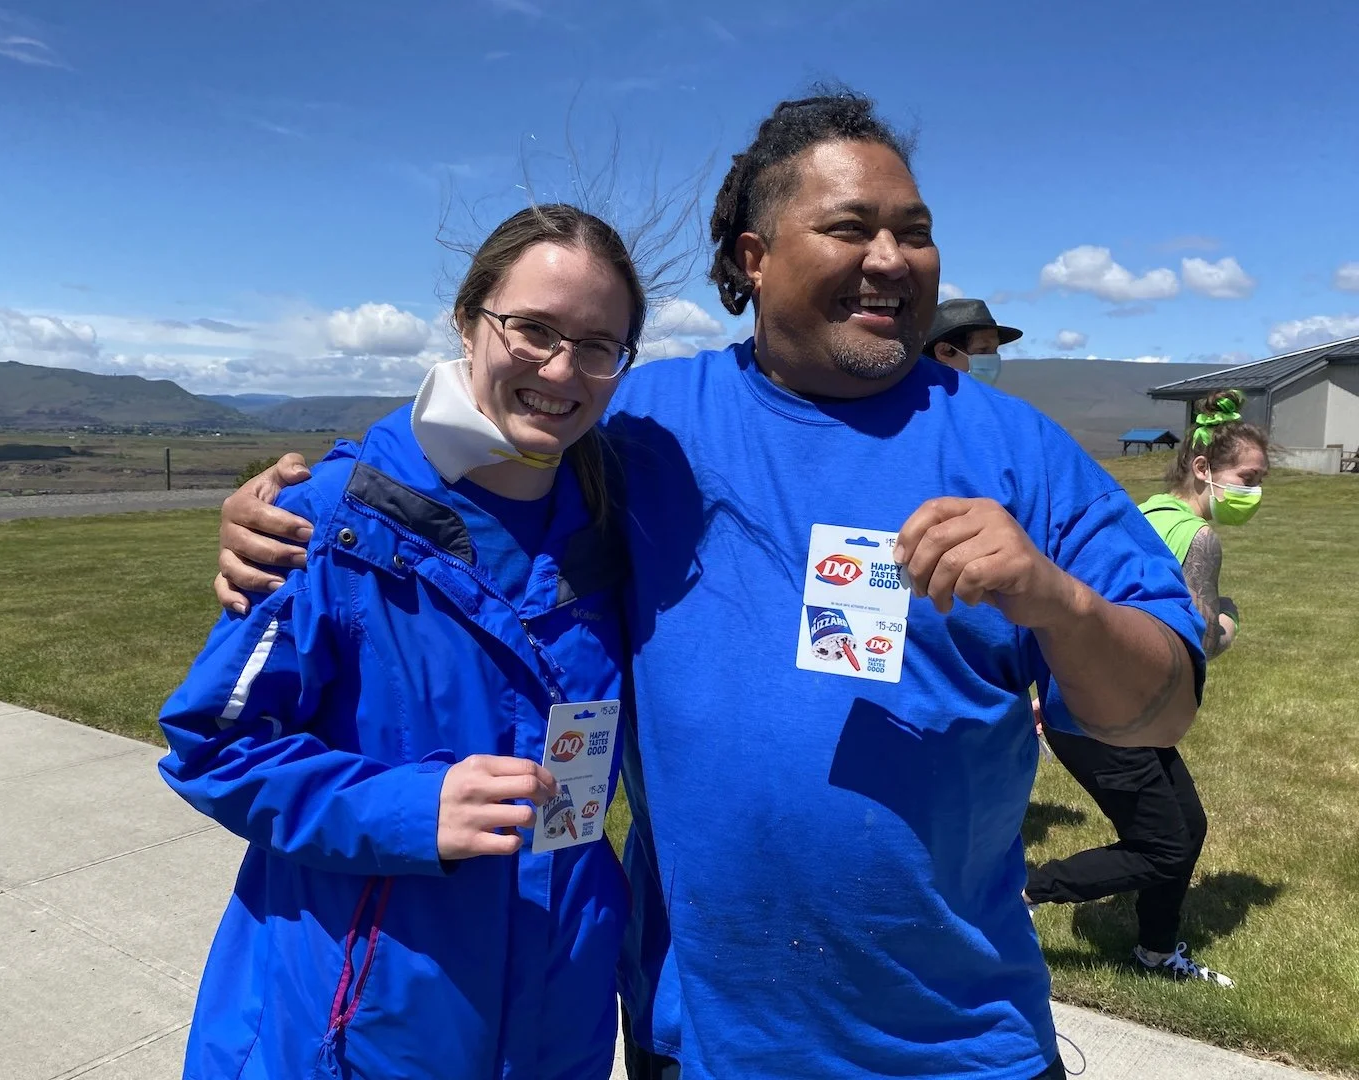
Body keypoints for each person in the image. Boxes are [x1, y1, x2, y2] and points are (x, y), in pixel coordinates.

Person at [210, 89, 1205, 1080]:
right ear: (753, 256)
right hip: (698, 1042)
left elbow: (1158, 710)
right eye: (851, 228)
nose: (892, 259)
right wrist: (299, 503)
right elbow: (467, 444)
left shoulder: (1018, 454)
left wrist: (1060, 603)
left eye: (915, 232)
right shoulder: (643, 427)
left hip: (955, 1048)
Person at [157, 203, 646, 1079]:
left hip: (556, 1020)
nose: (561, 369)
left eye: (598, 345)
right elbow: (211, 745)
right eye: (533, 329)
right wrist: (411, 811)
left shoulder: (621, 534)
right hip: (358, 1032)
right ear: (467, 321)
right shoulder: (326, 522)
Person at [1025, 390, 1268, 987]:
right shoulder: (1200, 540)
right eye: (1249, 478)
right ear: (1204, 469)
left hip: (1092, 698)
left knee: (1187, 826)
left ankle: (1156, 952)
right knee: (1163, 846)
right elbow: (1200, 640)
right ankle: (1025, 891)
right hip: (1110, 713)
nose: (1256, 492)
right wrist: (1229, 620)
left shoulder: (1145, 514)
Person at [925, 296, 1022, 385]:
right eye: (983, 350)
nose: (993, 358)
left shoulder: (995, 398)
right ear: (943, 351)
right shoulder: (920, 397)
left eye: (995, 350)